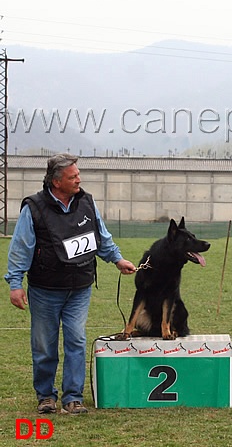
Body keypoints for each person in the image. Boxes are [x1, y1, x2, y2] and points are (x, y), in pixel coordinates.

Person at [6, 153, 136, 415]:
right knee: (44, 345)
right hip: (45, 289)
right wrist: (15, 283)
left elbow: (100, 236)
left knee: (76, 340)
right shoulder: (33, 207)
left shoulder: (87, 202)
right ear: (56, 182)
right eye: (73, 176)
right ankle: (45, 396)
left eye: (78, 174)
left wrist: (117, 259)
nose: (79, 179)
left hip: (80, 287)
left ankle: (73, 397)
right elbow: (21, 247)